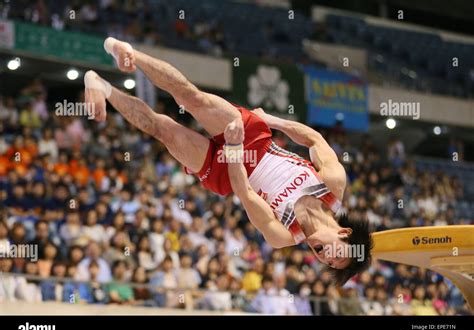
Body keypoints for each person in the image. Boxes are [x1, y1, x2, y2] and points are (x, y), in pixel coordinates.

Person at [84, 37, 373, 285]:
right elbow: (314, 139)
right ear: (344, 232)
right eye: (337, 254)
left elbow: (245, 194)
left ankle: (103, 86)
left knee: (162, 130)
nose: (324, 258)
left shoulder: (283, 236)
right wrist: (271, 120)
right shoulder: (333, 184)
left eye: (329, 264)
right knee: (191, 98)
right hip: (256, 138)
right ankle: (130, 53)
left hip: (228, 172)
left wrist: (233, 150)